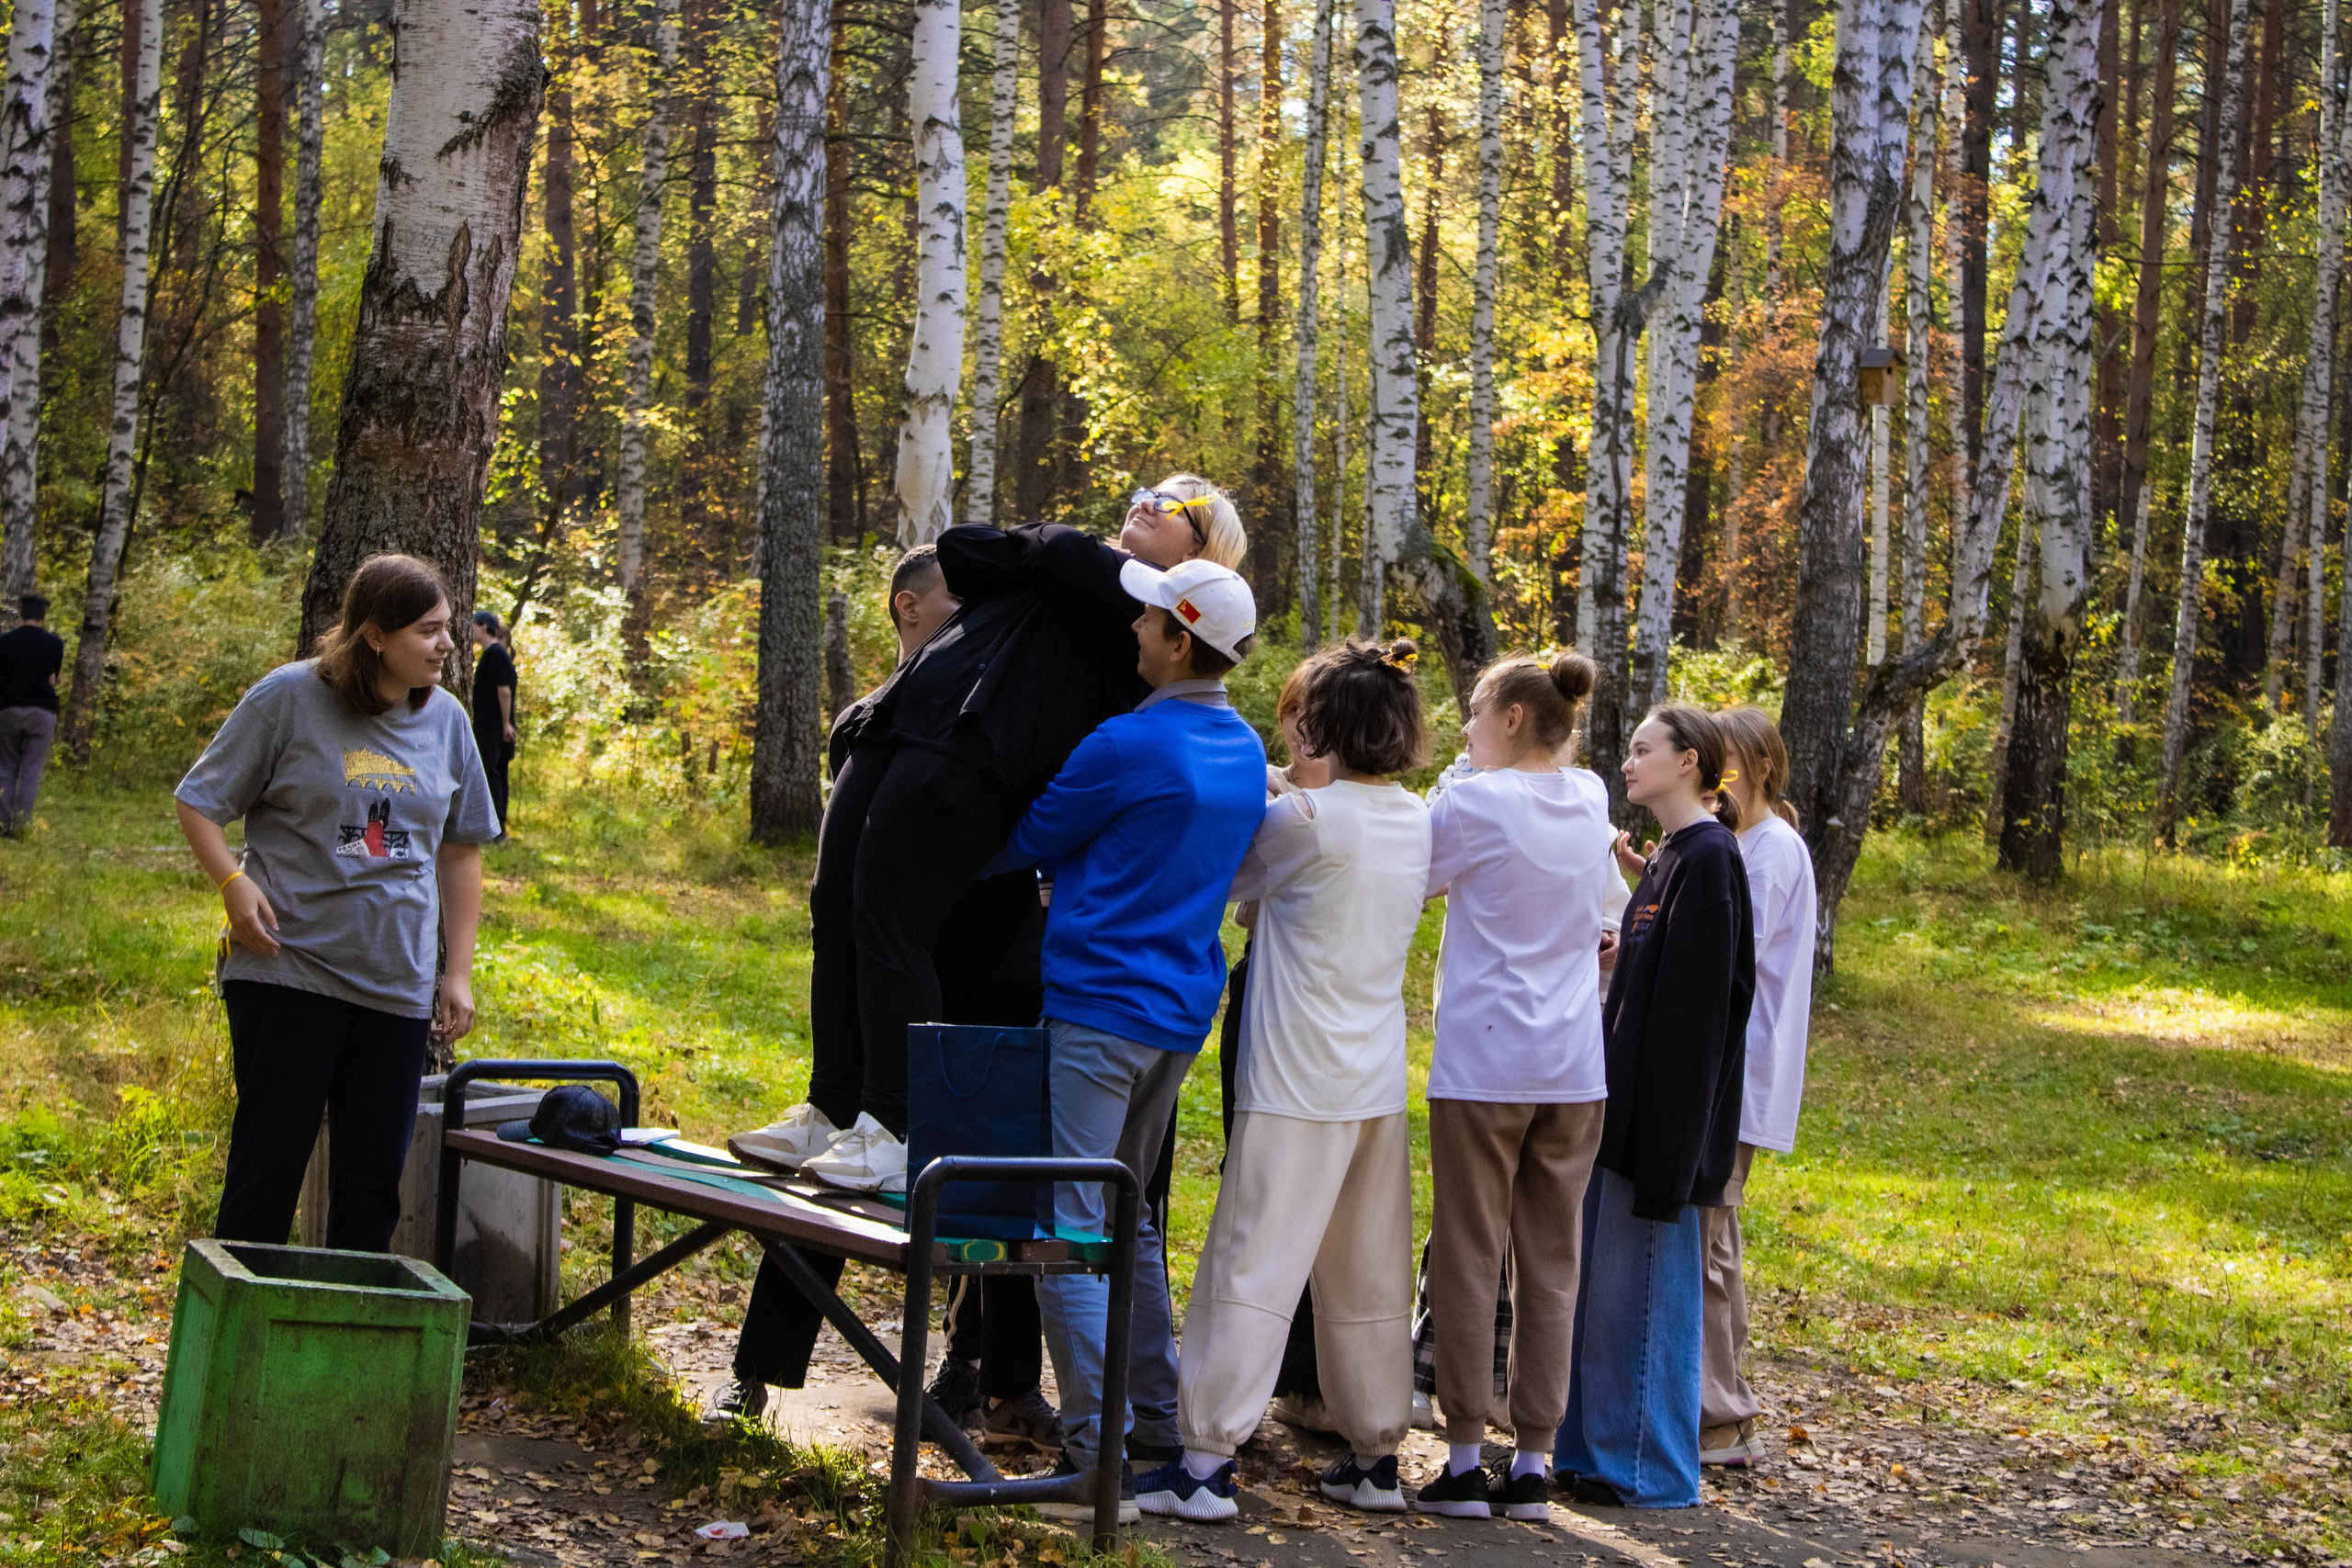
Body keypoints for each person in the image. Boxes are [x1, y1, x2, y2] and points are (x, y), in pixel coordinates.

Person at [747, 479, 1248, 1194]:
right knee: (838, 907)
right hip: (911, 718)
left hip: (979, 754)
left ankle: (890, 1124)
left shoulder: (1148, 606)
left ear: (1202, 550)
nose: (1145, 502)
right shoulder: (1088, 576)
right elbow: (962, 548)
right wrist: (1041, 548)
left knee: (893, 920)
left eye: (1170, 506)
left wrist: (1045, 543)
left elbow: (1059, 553)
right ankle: (831, 1105)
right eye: (1145, 492)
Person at [721, 547, 1062, 1455]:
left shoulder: (1010, 711)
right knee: (832, 1161)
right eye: (961, 602)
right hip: (886, 987)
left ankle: (996, 1379)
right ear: (908, 608)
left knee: (990, 1183)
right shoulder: (868, 719)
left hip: (992, 972)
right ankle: (757, 1371)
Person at [986, 557, 1266, 1520]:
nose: (1134, 632)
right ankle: (1151, 1424)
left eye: (1148, 621)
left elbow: (1021, 835)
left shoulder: (1124, 744)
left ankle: (1093, 1460)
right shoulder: (1240, 746)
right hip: (1178, 1014)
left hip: (1098, 1010)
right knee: (1128, 1215)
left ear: (1179, 641)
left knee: (1066, 1227)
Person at [1139, 638, 1430, 1522]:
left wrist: (1273, 791)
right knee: (1368, 1268)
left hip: (1293, 1073)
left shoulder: (1306, 819)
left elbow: (1232, 882)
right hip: (1375, 1075)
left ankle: (1203, 1458)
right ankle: (1377, 1453)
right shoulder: (1416, 816)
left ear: (1320, 725)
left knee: (1253, 1255)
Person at [174, 555, 498, 1251]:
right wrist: (234, 884)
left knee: (373, 1188)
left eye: (449, 628)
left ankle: (346, 1348)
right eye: (430, 630)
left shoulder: (447, 720)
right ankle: (241, 1350)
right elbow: (199, 801)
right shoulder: (287, 698)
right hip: (290, 971)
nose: (448, 643)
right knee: (267, 1174)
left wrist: (457, 971)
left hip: (396, 985)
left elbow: (462, 849)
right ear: (375, 635)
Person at [1412, 651, 1623, 1521]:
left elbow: (1414, 877)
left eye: (1473, 711)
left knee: (1469, 1250)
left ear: (1508, 719)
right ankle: (1534, 1455)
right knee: (1551, 1260)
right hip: (1573, 1065)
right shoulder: (1593, 798)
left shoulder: (1472, 800)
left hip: (1484, 1060)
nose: (1462, 727)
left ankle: (1465, 1453)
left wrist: (1455, 780)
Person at [1557, 704, 1755, 1509]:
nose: (1628, 762)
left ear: (1690, 762)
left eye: (1644, 750)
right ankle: (1598, 1449)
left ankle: (1646, 1466)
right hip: (1625, 1115)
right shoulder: (1672, 856)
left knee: (1643, 1298)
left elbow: (1701, 1017)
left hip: (1661, 1134)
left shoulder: (1709, 858)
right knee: (1605, 1298)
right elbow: (1651, 978)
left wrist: (1672, 1159)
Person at [1699, 706, 1815, 1469]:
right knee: (1713, 1234)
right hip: (1725, 1066)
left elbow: (1733, 944)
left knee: (1711, 1237)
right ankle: (1720, 1402)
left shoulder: (1771, 848)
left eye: (1729, 764)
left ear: (1763, 769)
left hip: (1742, 1069)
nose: (1719, 778)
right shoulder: (1738, 845)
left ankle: (1725, 1412)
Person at [0, 592, 63, 836]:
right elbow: (52, 678)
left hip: (8, 710)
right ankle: (21, 826)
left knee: (5, 768)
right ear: (42, 615)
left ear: (21, 613)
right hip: (42, 712)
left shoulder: (4, 642)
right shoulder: (54, 643)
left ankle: (3, 824)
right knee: (31, 771)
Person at [469, 611, 518, 838]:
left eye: (473, 626)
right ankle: (496, 828)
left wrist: (505, 724)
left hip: (493, 727)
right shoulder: (491, 655)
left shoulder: (496, 654)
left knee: (491, 773)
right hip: (491, 725)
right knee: (493, 772)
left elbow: (504, 691)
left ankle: (497, 831)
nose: (470, 630)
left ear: (484, 627)